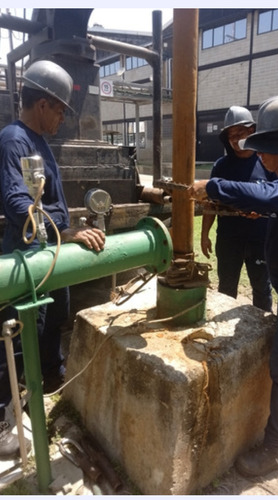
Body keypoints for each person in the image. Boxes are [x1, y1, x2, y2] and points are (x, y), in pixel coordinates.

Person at [188, 95, 278, 477]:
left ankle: (275, 451)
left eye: (264, 150)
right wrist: (265, 207)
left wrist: (213, 186)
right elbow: (277, 201)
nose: (260, 159)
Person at [0, 60, 105, 457]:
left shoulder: (39, 141)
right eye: (60, 109)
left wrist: (66, 231)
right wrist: (65, 232)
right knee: (19, 333)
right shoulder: (14, 140)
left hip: (50, 254)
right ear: (42, 104)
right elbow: (18, 203)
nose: (62, 117)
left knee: (51, 324)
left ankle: (49, 384)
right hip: (29, 257)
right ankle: (2, 416)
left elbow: (48, 202)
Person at [201, 106, 273, 311]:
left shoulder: (266, 162)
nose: (234, 139)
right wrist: (204, 234)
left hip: (260, 239)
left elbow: (277, 198)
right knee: (226, 288)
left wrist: (261, 211)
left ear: (251, 132)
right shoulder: (221, 165)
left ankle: (265, 332)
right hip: (229, 239)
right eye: (230, 135)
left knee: (261, 287)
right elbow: (210, 202)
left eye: (239, 133)